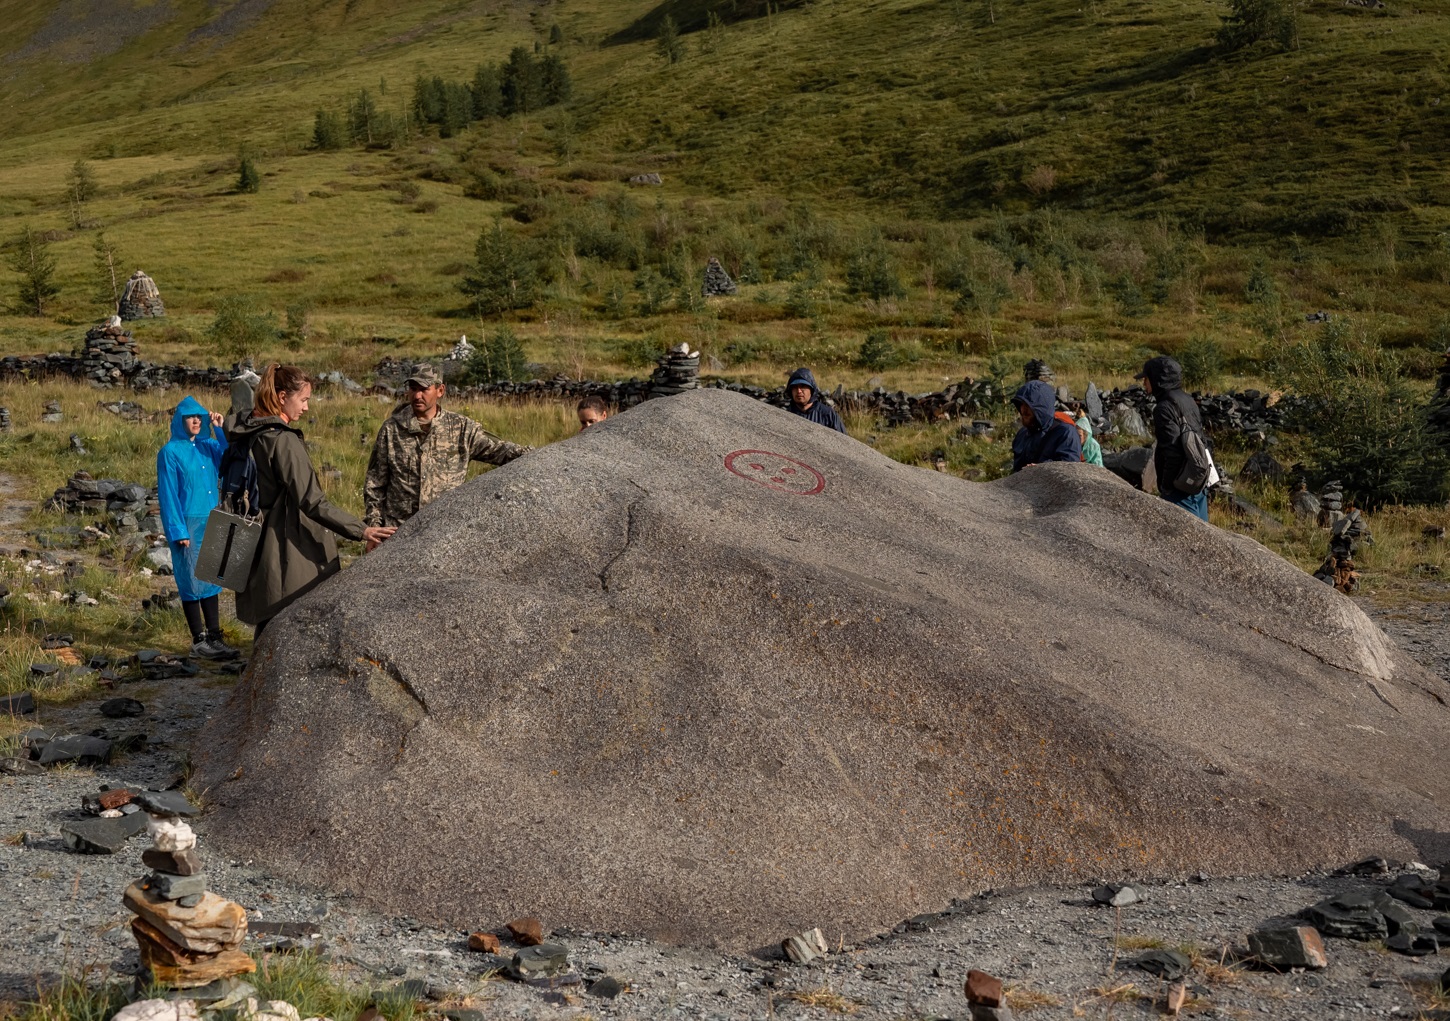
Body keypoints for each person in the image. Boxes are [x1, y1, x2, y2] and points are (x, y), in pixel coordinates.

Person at [228, 364, 395, 636]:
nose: (306, 408)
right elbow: (313, 502)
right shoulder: (282, 441)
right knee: (294, 626)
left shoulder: (246, 433)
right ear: (282, 397)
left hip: (256, 543)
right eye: (303, 399)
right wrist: (362, 530)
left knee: (268, 624)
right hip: (289, 550)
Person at [364, 364, 529, 531]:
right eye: (413, 389)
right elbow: (375, 483)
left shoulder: (461, 428)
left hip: (444, 532)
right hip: (398, 531)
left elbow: (500, 451)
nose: (417, 395)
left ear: (440, 390)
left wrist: (538, 454)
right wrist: (374, 527)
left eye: (424, 389)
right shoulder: (391, 429)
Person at [156, 396, 235, 658]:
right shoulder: (169, 452)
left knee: (211, 578)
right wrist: (177, 530)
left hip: (212, 518)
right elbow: (168, 494)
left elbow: (229, 458)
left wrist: (221, 429)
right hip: (187, 522)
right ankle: (198, 640)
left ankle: (215, 636)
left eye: (199, 417)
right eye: (191, 417)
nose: (196, 421)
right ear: (180, 421)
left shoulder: (208, 446)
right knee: (191, 579)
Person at [1136, 355, 1209, 521]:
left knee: (1186, 540)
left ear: (1157, 379)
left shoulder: (1163, 408)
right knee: (1205, 537)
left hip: (1180, 487)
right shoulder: (1187, 400)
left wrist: (1167, 488)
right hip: (1197, 478)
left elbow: (1172, 451)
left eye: (1146, 378)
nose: (1143, 383)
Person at [1011, 380, 1082, 472]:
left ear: (1042, 408)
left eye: (1028, 405)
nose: (1023, 409)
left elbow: (1070, 471)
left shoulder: (1065, 433)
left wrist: (1042, 469)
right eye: (1021, 404)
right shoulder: (1022, 434)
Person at [784, 367, 846, 433]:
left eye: (803, 386)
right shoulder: (785, 415)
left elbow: (844, 441)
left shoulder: (828, 414)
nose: (799, 391)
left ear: (811, 390)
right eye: (795, 387)